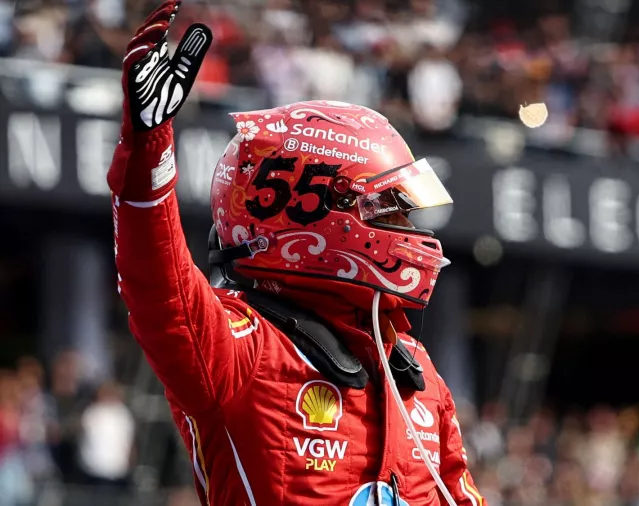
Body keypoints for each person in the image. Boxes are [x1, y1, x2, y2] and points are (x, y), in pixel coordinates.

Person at [106, 1, 485, 505]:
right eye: (389, 210)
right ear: (313, 208)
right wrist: (147, 150)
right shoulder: (245, 350)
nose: (409, 229)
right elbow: (161, 295)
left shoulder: (415, 368)